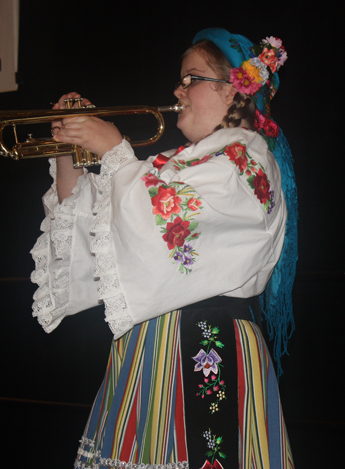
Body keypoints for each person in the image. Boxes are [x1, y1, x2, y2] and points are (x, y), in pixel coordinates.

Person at [30, 28, 297, 468]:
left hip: (204, 347)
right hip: (151, 346)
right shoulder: (176, 163)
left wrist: (114, 149)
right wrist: (67, 152)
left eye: (191, 77)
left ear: (234, 90)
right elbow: (99, 233)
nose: (177, 89)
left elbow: (166, 221)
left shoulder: (248, 158)